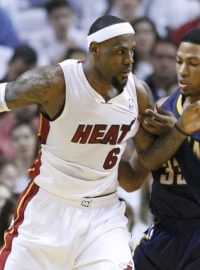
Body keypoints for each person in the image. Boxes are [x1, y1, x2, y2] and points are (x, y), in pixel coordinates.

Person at [0, 15, 200, 270]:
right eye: (120, 52)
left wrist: (179, 129)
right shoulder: (55, 83)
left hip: (102, 216)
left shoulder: (137, 93)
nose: (129, 60)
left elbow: (137, 174)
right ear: (95, 50)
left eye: (131, 51)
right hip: (49, 209)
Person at [129, 27, 200, 269]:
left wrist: (177, 135)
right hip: (162, 230)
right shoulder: (161, 107)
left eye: (193, 63)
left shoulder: (171, 122)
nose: (182, 70)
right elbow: (137, 174)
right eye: (180, 61)